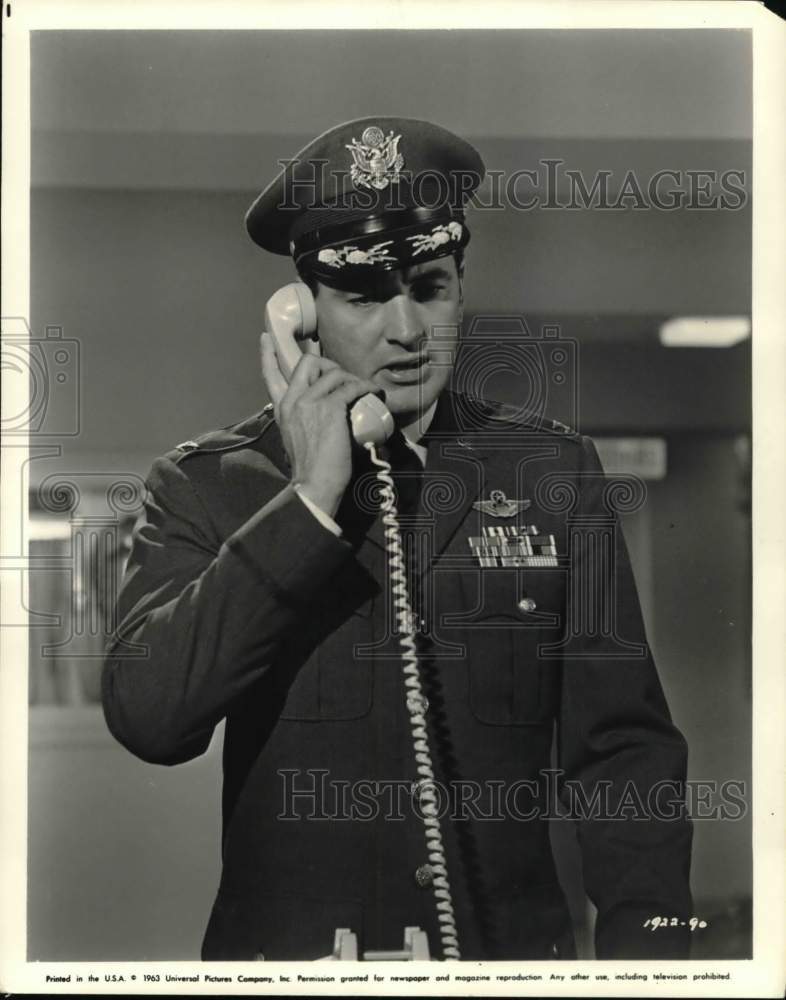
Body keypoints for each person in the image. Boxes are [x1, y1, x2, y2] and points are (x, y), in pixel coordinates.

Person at [102, 117, 693, 961]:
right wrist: (310, 498)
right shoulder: (207, 486)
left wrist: (659, 959)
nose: (408, 329)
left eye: (430, 285)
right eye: (366, 297)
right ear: (302, 316)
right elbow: (151, 719)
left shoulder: (549, 471)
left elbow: (624, 751)